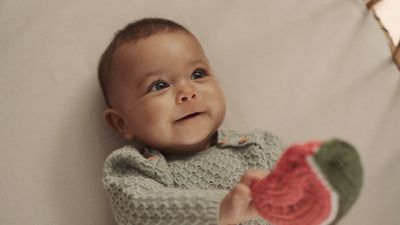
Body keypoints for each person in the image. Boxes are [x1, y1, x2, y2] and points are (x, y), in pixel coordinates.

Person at [98, 18, 285, 225]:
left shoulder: (260, 146)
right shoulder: (135, 169)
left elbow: (314, 193)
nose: (187, 93)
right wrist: (217, 209)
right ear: (122, 123)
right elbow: (138, 211)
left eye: (198, 74)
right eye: (159, 86)